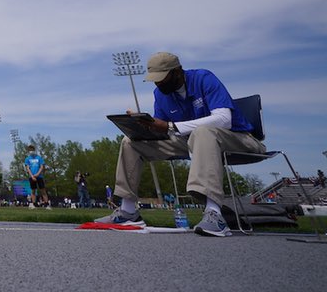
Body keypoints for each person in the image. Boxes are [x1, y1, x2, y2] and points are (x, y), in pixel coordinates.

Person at [96, 52, 265, 237]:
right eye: (154, 80)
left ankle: (214, 213)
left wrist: (171, 126)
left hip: (239, 139)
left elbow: (224, 119)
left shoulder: (204, 78)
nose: (158, 84)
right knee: (131, 142)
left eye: (162, 78)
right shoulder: (160, 93)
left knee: (202, 132)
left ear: (177, 71)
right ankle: (128, 211)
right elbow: (165, 129)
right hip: (191, 141)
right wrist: (143, 126)